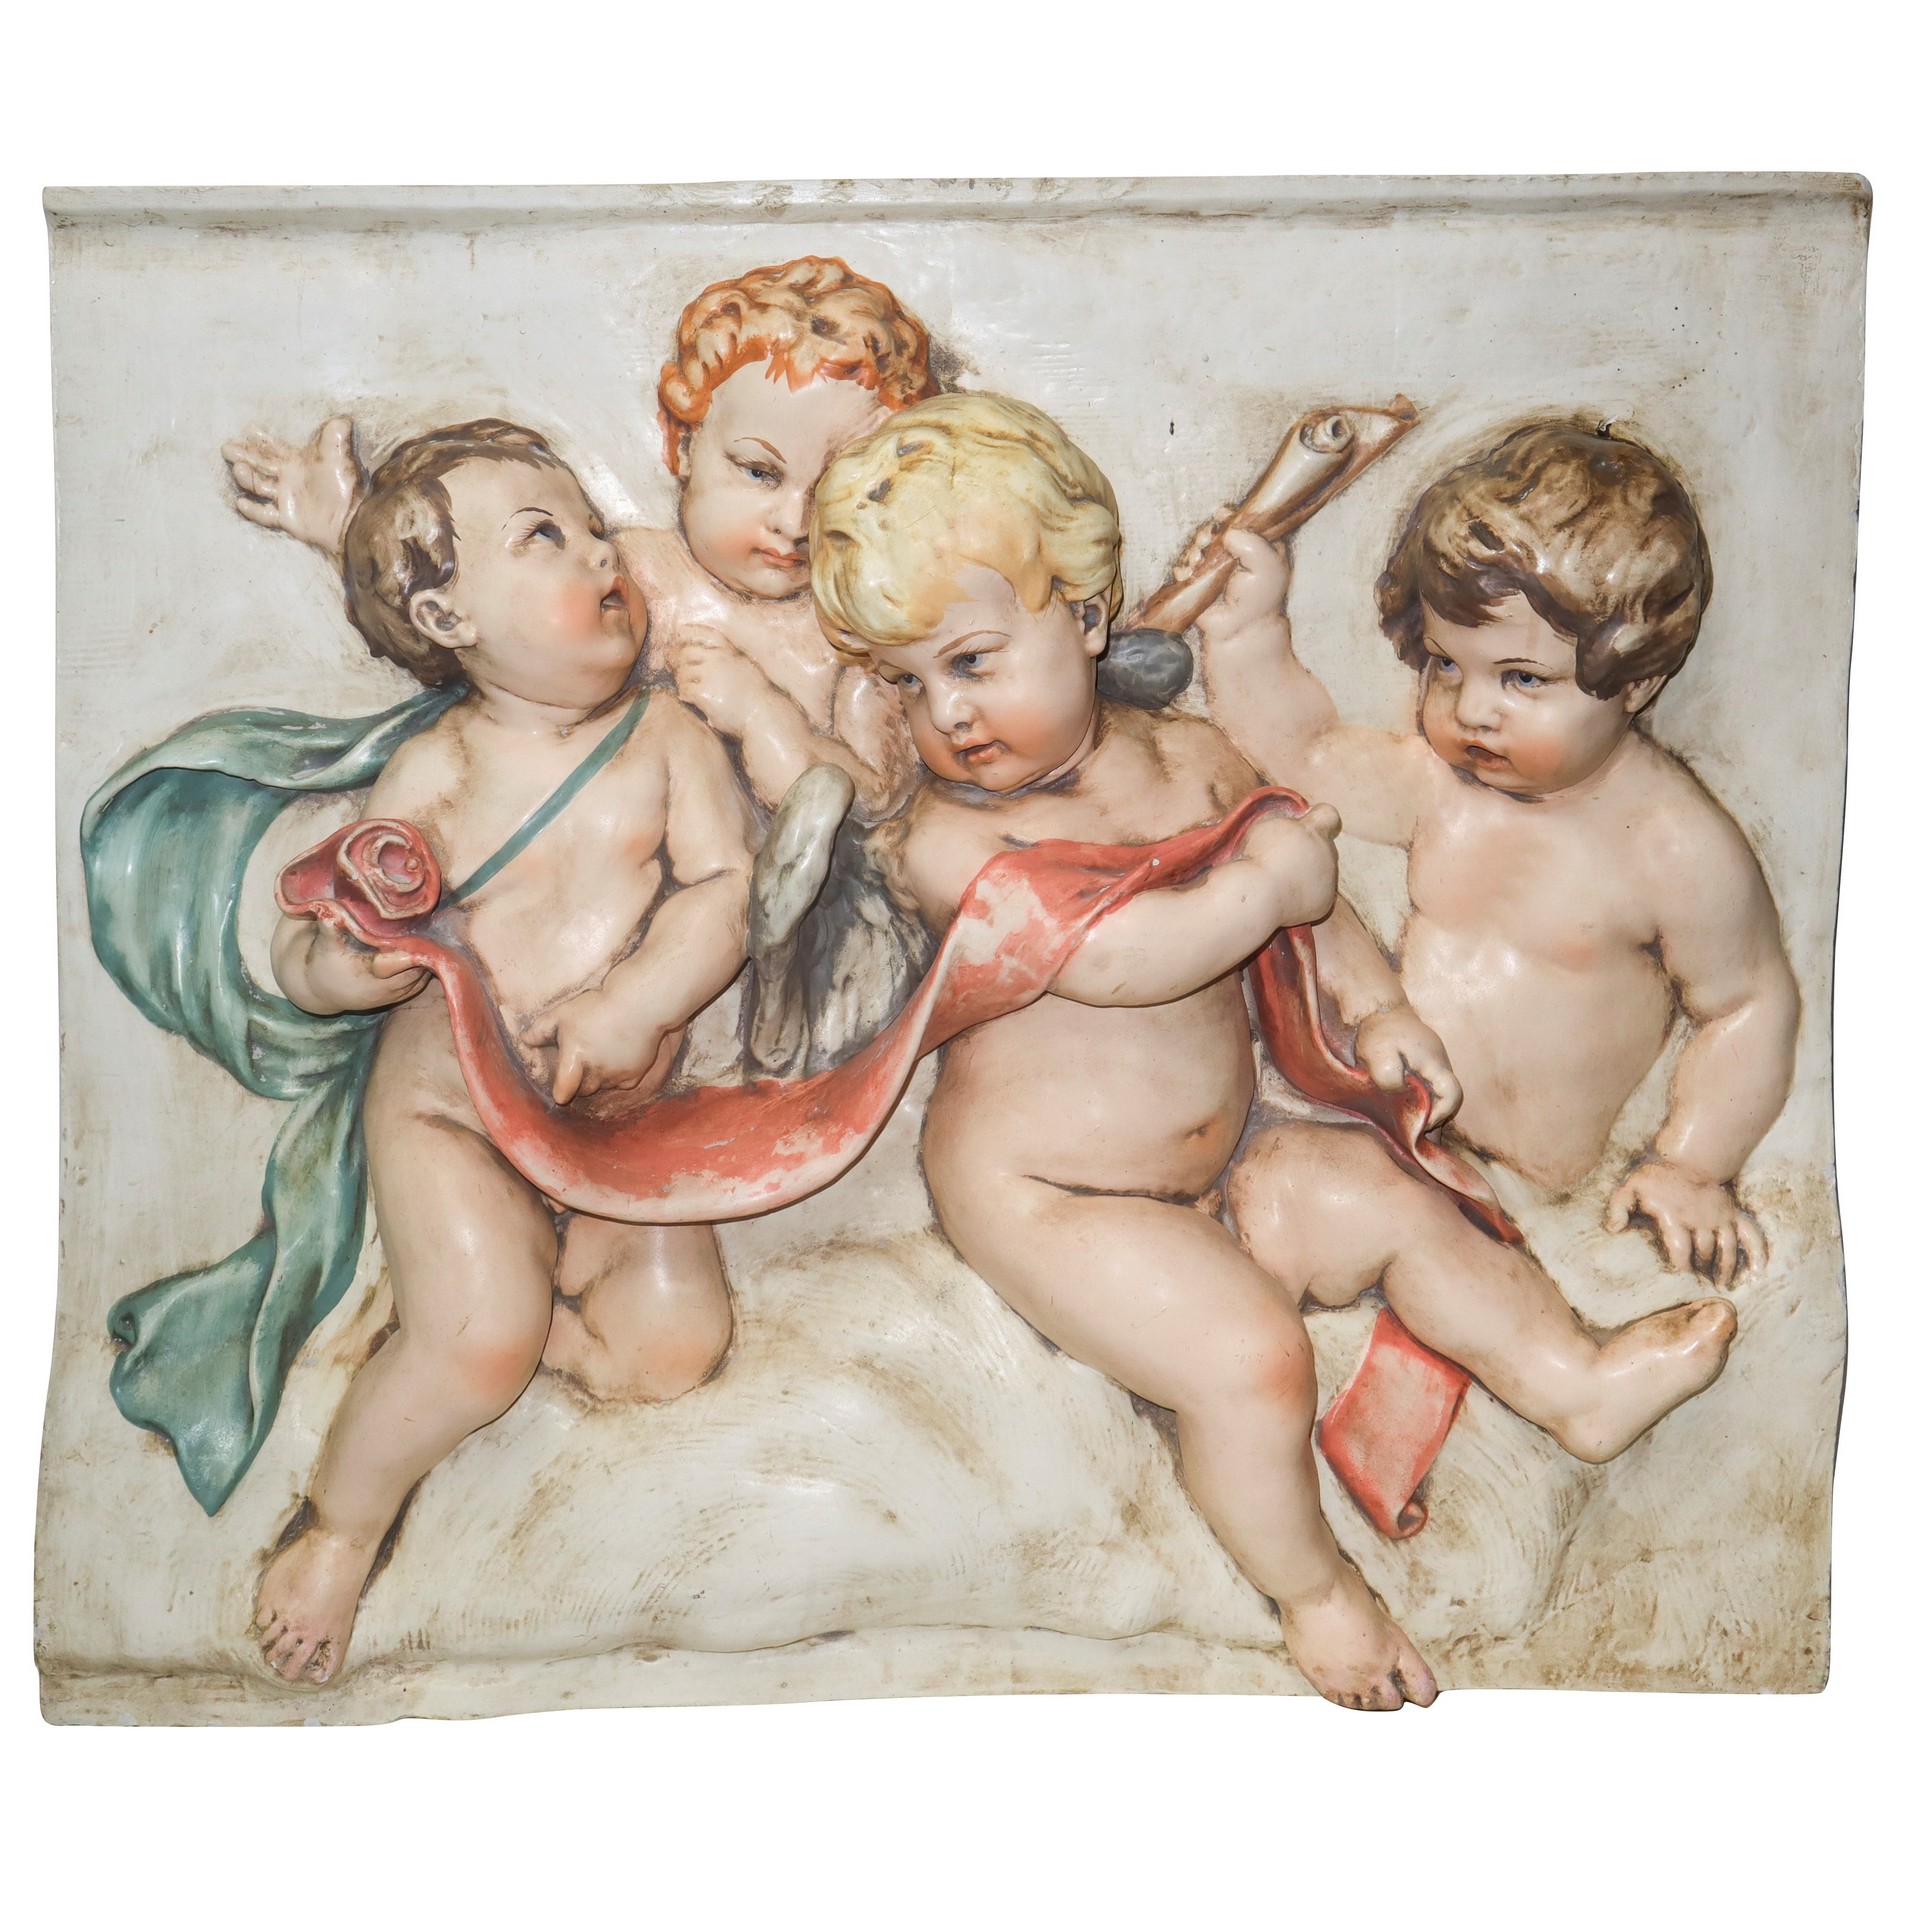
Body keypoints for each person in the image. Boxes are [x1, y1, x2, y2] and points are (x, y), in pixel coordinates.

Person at [809, 393, 1735, 1710]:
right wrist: (1268, 885)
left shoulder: (1191, 758)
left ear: (1087, 614)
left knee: (1387, 1199)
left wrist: (1380, 1007)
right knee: (1246, 1357)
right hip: (1051, 1198)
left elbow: (1314, 904)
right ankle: (1315, 1592)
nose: (945, 712)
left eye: (970, 660)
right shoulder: (953, 840)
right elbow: (1126, 958)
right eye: (906, 682)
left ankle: (1570, 1379)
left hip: (1225, 1154)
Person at [253, 420, 754, 1685]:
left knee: (672, 1350)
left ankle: (515, 1314)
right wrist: (343, 970)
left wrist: (635, 1002)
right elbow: (318, 938)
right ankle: (344, 1522)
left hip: (613, 1122)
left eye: (591, 527)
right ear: (449, 615)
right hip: (455, 1115)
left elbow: (723, 895)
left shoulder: (668, 740)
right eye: (545, 536)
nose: (599, 553)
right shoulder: (441, 765)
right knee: (476, 1343)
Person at [1196, 421, 1800, 1281]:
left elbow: (1747, 1007)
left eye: (1522, 678)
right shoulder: (1444, 786)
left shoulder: (1674, 847)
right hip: (1392, 1127)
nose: (1473, 710)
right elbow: (1309, 752)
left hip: (1531, 1192)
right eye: (1447, 666)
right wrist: (1246, 629)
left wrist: (1692, 1166)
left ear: (1636, 681)